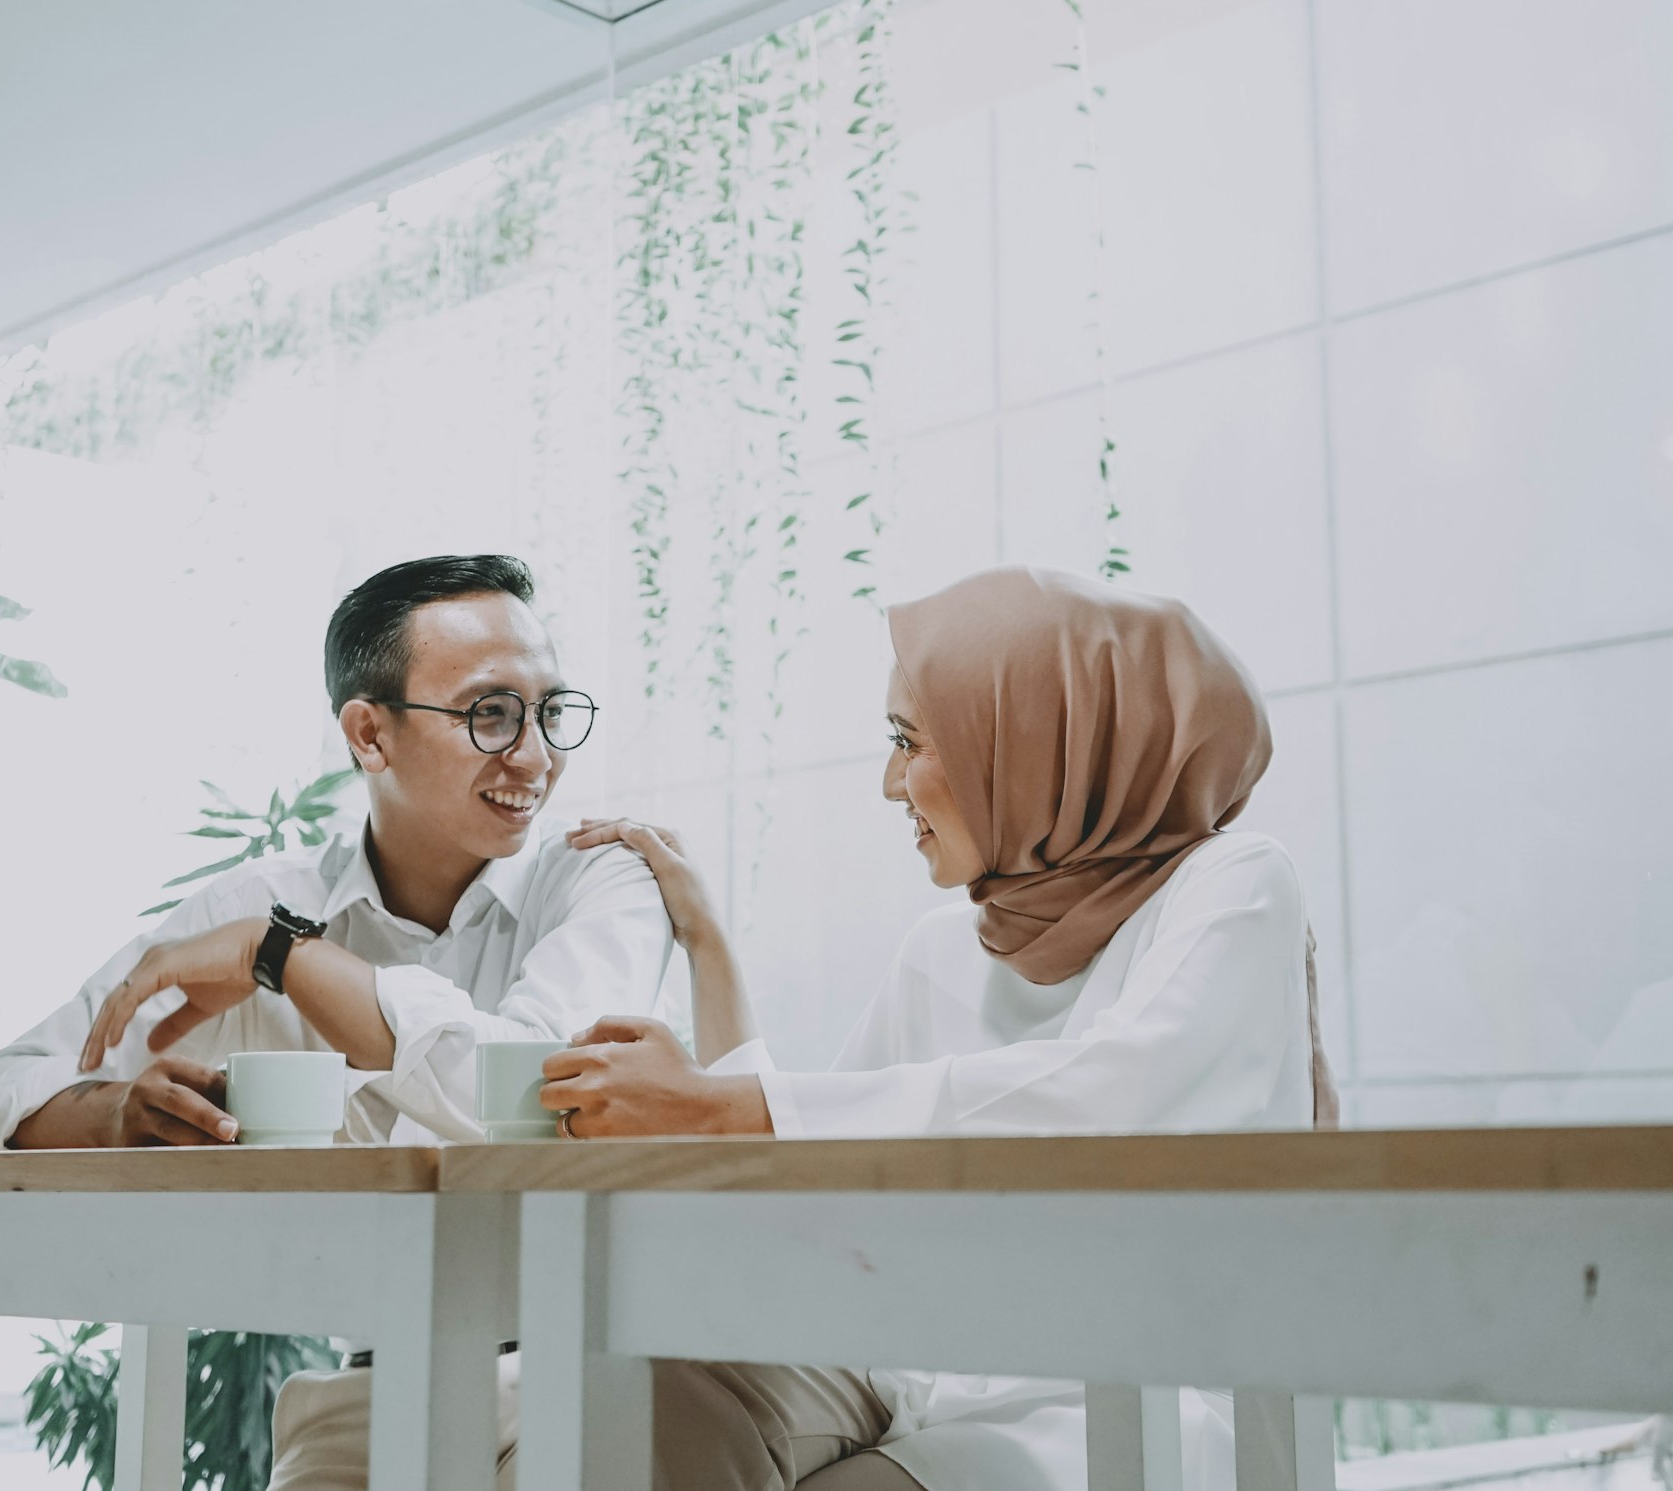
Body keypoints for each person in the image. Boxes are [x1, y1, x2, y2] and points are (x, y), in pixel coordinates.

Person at [547, 564, 1337, 1491]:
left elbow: (1115, 1101)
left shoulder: (1235, 885)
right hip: (926, 1377)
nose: (890, 783)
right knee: (640, 1407)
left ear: (1032, 740)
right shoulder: (943, 947)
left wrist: (717, 1105)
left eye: (908, 740)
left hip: (1141, 1400)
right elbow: (808, 1180)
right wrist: (705, 946)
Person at [0, 552, 674, 1490]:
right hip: (373, 1388)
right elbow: (11, 1082)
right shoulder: (269, 897)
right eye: (490, 713)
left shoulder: (604, 877)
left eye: (548, 711)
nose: (536, 756)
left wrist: (284, 957)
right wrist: (115, 1115)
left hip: (605, 1368)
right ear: (369, 734)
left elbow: (529, 1085)